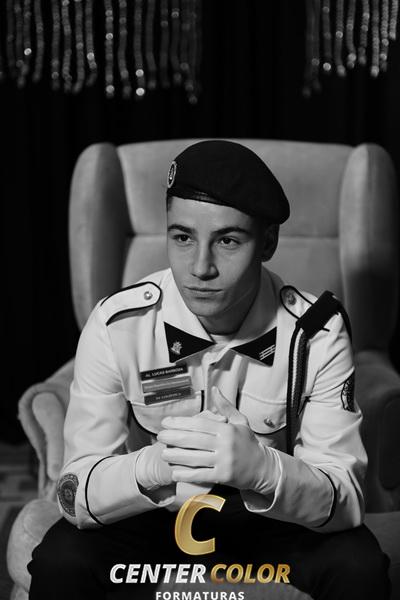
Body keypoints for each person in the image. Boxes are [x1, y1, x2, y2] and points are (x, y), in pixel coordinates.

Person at [28, 140, 391, 600]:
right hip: (153, 516)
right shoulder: (119, 324)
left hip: (270, 521)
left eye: (227, 241)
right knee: (61, 560)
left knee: (358, 566)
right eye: (182, 238)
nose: (200, 268)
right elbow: (73, 490)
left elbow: (348, 498)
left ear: (268, 243)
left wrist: (263, 470)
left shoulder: (315, 333)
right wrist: (154, 466)